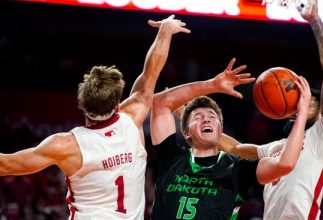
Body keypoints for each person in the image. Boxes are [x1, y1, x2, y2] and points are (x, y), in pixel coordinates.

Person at [0, 15, 190, 220]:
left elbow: (7, 165)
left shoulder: (66, 145)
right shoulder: (132, 118)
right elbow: (150, 73)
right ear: (117, 105)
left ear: (82, 106)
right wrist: (165, 32)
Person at [220, 0, 323, 219]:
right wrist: (186, 112)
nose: (302, 104)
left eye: (308, 101)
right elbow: (235, 148)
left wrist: (315, 21)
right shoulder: (276, 148)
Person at [149, 58, 312, 219]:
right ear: (186, 132)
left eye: (212, 117)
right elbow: (160, 102)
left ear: (221, 131)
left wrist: (302, 112)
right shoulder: (171, 158)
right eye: (198, 116)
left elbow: (285, 164)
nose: (206, 119)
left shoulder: (236, 168)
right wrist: (212, 85)